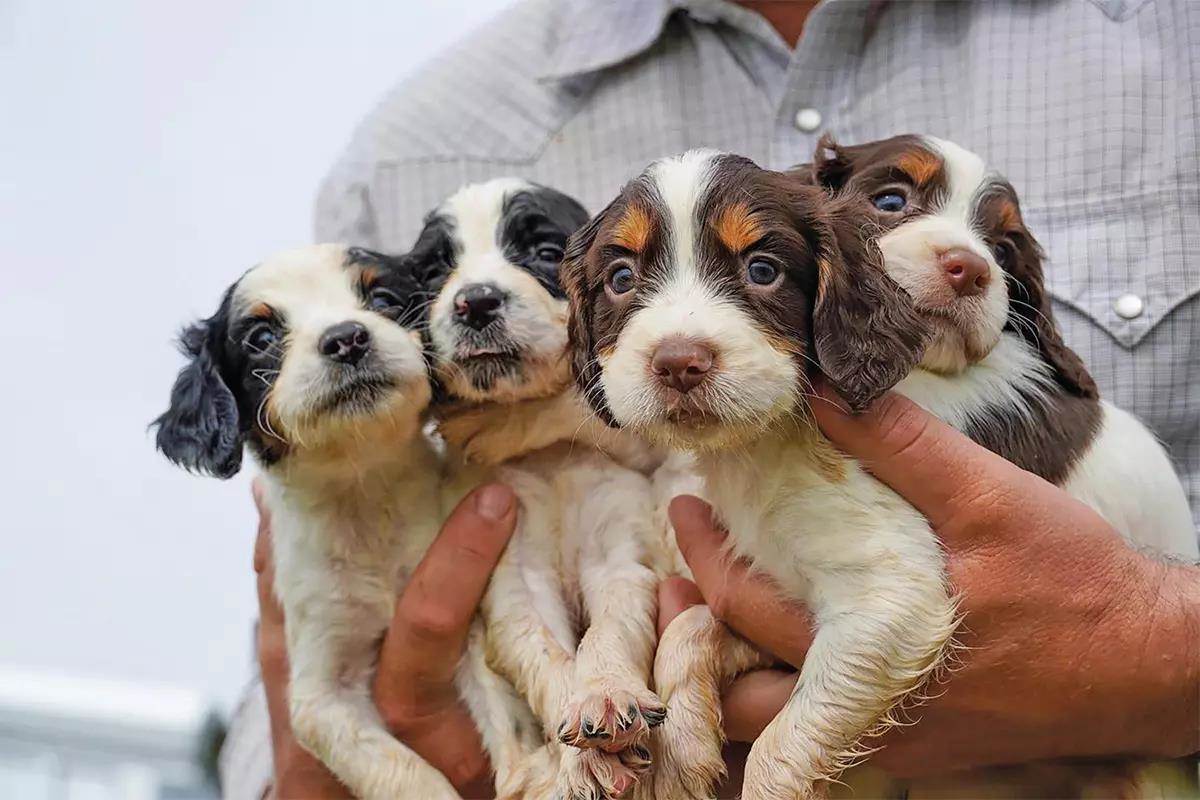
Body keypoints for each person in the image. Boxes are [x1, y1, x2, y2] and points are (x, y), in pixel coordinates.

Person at [219, 1, 1200, 796]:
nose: (682, 337)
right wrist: (406, 763)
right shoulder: (410, 145)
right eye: (616, 281)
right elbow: (298, 693)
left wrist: (1162, 658)